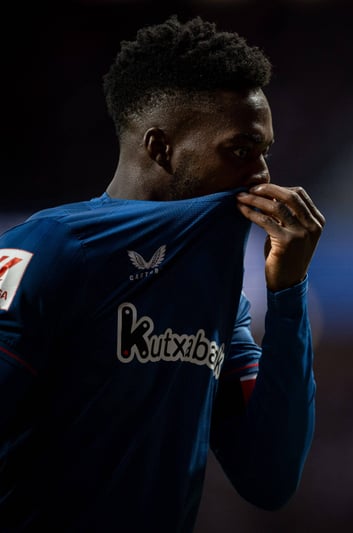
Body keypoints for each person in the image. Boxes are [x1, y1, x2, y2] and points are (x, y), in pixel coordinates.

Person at [0, 15, 325, 532]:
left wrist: (288, 293)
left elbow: (270, 476)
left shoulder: (218, 293)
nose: (262, 175)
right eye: (240, 151)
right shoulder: (50, 250)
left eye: (264, 153)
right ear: (160, 148)